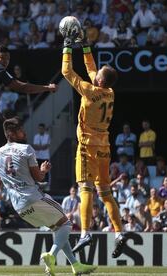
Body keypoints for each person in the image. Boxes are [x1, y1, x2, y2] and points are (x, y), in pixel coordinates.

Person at [0, 117, 95, 275]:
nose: (23, 132)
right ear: (11, 133)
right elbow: (39, 177)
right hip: (34, 198)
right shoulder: (26, 149)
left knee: (58, 228)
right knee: (66, 225)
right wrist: (44, 170)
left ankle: (75, 265)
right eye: (19, 130)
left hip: (19, 207)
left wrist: (9, 181)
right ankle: (51, 255)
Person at [61, 32, 126, 258]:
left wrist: (67, 47)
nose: (95, 73)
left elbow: (66, 72)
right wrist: (86, 47)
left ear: (98, 80)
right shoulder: (109, 93)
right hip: (104, 146)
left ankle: (86, 232)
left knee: (85, 189)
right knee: (106, 192)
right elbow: (92, 70)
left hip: (87, 145)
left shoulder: (89, 91)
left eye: (97, 74)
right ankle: (119, 232)